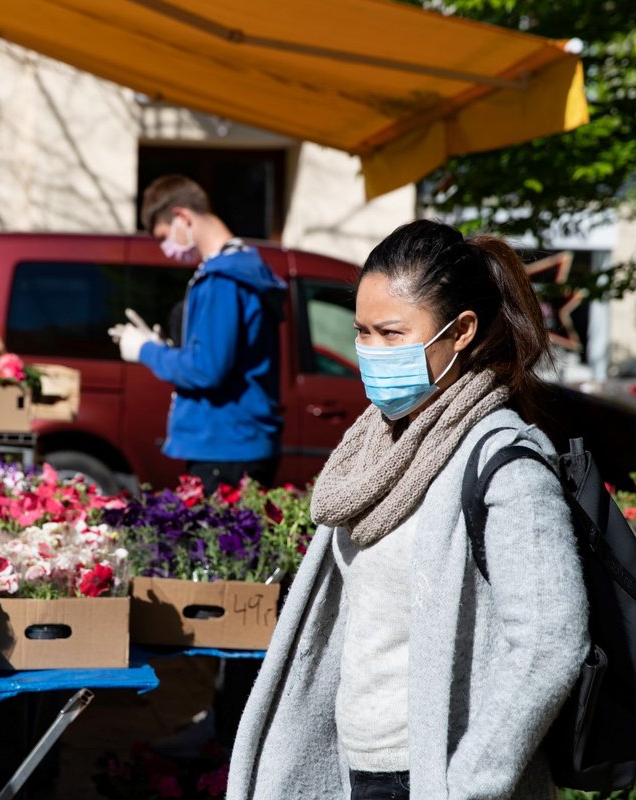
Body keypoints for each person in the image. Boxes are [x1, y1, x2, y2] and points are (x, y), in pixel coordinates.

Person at [227, 220, 590, 800]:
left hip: (434, 775)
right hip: (357, 766)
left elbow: (551, 639)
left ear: (461, 331)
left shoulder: (505, 461)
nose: (370, 352)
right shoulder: (373, 446)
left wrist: (470, 781)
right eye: (362, 332)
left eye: (392, 334)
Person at [111, 175, 286, 493]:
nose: (167, 250)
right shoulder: (244, 268)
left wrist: (145, 351)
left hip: (224, 444)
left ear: (182, 217)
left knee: (218, 542)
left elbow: (204, 369)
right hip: (238, 441)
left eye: (165, 236)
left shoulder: (223, 279)